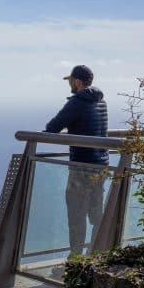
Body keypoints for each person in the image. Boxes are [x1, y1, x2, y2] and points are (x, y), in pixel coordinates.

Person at [44, 65, 108, 256]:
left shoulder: (77, 102)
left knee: (76, 215)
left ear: (78, 81)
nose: (70, 84)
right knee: (97, 214)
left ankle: (76, 260)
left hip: (81, 167)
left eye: (71, 81)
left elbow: (53, 127)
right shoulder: (101, 101)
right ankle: (98, 255)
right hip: (101, 164)